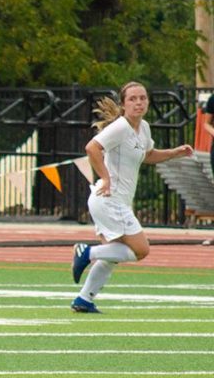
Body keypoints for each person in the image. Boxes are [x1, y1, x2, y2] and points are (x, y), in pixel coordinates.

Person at [70, 81, 193, 313]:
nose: (138, 103)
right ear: (123, 104)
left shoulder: (143, 127)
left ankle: (84, 299)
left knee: (113, 254)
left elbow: (148, 155)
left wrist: (174, 153)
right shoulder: (121, 127)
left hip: (114, 201)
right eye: (133, 99)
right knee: (141, 250)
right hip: (109, 198)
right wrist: (105, 178)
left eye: (142, 98)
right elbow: (92, 148)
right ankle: (86, 252)